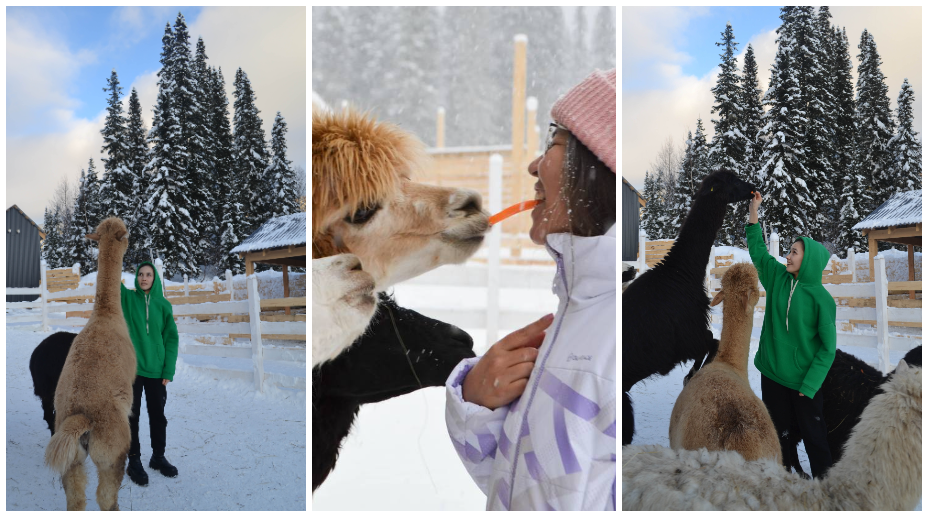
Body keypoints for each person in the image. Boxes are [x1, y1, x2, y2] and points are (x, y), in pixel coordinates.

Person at [444, 68, 616, 510]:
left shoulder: (623, 330)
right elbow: (530, 486)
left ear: (601, 171)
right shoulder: (574, 313)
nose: (534, 166)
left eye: (555, 145)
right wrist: (477, 402)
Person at [747, 192, 836, 478]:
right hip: (773, 375)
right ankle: (783, 486)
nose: (787, 254)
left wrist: (809, 385)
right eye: (788, 250)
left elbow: (827, 349)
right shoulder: (777, 277)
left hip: (804, 382)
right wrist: (753, 212)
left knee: (815, 440)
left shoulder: (822, 299)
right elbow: (758, 252)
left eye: (794, 252)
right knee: (779, 436)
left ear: (808, 260)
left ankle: (826, 491)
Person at [121, 261, 180, 486]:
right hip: (133, 370)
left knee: (158, 416)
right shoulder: (128, 299)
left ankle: (158, 457)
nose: (144, 278)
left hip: (157, 372)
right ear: (136, 277)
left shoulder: (164, 305)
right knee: (132, 417)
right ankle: (133, 460)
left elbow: (171, 339)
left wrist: (168, 369)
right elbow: (111, 282)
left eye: (149, 275)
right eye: (141, 274)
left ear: (154, 279)